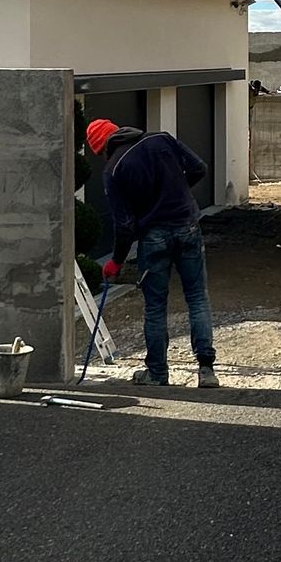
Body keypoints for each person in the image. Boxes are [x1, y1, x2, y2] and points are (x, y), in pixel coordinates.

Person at [88, 116, 219, 390]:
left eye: (100, 153)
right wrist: (179, 192)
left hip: (153, 237)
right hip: (187, 227)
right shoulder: (161, 139)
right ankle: (206, 370)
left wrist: (116, 261)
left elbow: (124, 224)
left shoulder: (113, 169)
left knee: (156, 307)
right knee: (197, 297)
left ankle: (158, 373)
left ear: (103, 147)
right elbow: (199, 168)